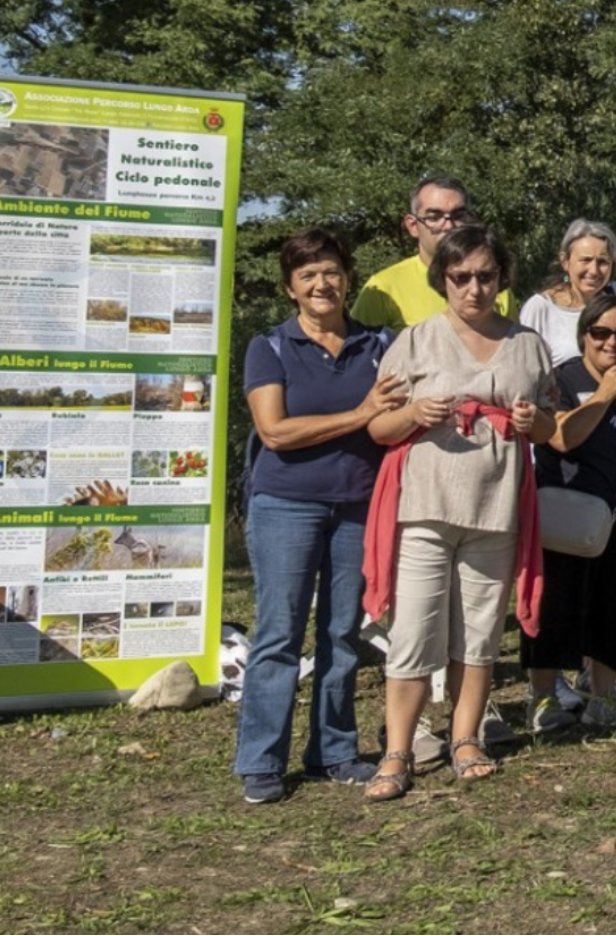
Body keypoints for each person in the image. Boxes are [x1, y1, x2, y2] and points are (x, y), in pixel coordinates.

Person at [360, 226, 558, 799]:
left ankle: (465, 738)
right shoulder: (415, 341)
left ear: (502, 279)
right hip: (425, 504)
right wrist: (414, 414)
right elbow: (377, 427)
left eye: (485, 276)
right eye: (461, 276)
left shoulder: (528, 344)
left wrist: (534, 424)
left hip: (496, 506)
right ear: (442, 279)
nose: (474, 288)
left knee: (479, 632)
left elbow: (551, 425)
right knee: (414, 630)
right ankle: (398, 750)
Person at [235, 228, 405, 804]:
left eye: (331, 271)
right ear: (290, 288)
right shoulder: (270, 347)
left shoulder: (380, 344)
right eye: (307, 275)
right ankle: (262, 761)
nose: (321, 284)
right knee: (279, 633)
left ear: (348, 278)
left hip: (359, 505)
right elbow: (275, 432)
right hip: (285, 504)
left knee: (342, 634)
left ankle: (333, 752)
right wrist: (361, 413)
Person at [523, 296, 616, 734]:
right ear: (584, 334)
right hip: (565, 515)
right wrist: (606, 394)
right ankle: (544, 698)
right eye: (601, 332)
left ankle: (601, 699)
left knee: (615, 609)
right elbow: (561, 438)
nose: (612, 343)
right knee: (555, 607)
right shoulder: (560, 381)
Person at [351, 176, 514, 327]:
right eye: (434, 217)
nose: (449, 226)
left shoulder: (491, 282)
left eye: (458, 215)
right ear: (413, 226)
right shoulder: (383, 289)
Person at [519, 219, 616, 364]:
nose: (594, 271)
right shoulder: (541, 309)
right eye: (586, 260)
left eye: (603, 262)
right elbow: (524, 367)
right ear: (565, 261)